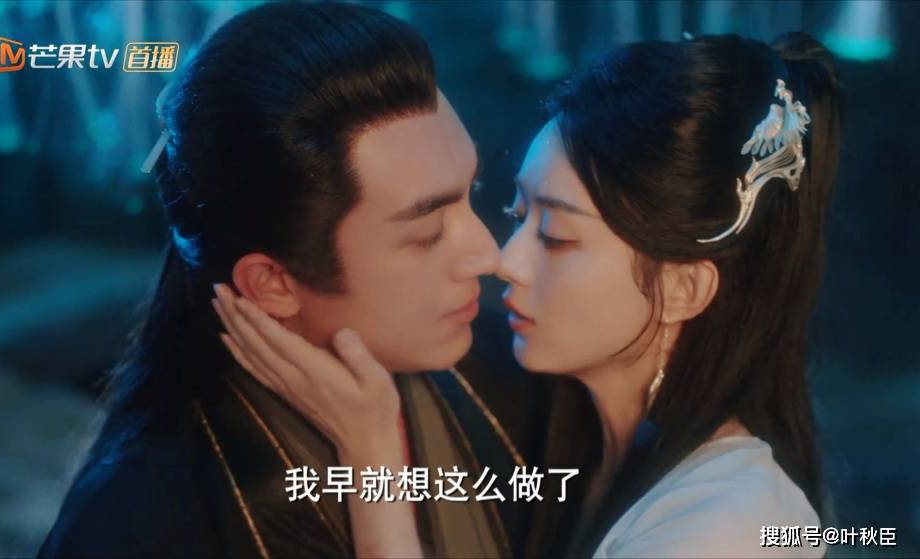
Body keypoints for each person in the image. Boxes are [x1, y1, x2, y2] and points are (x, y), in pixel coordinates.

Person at [216, 31, 841, 558]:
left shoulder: (729, 527)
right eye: (518, 216)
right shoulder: (576, 454)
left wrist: (370, 448)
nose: (504, 261)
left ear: (683, 288)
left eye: (557, 237)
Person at [38, 3, 600, 558]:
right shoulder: (144, 526)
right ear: (272, 284)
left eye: (469, 193)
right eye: (428, 233)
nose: (487, 255)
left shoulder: (521, 374)